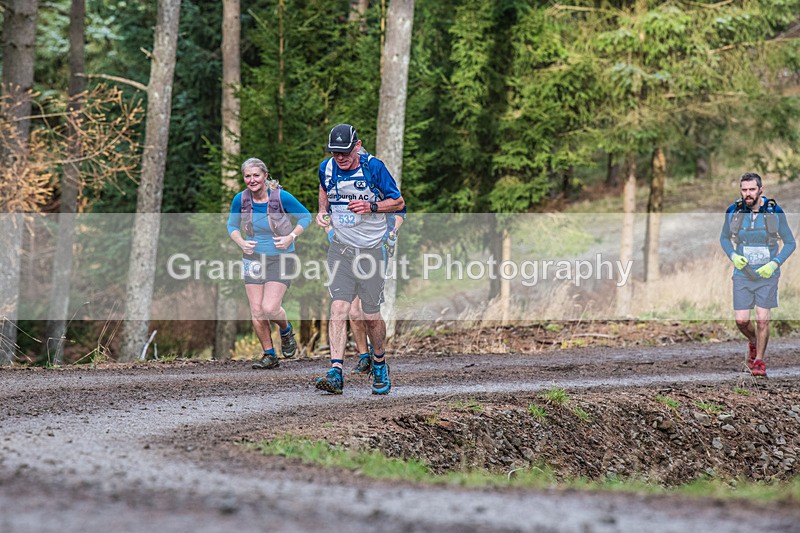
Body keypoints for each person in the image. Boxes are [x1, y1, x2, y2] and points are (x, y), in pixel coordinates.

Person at [314, 124, 405, 394]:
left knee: (370, 313)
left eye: (344, 152)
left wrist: (371, 207)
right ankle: (335, 371)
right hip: (341, 248)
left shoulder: (374, 167)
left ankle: (378, 363)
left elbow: (398, 202)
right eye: (334, 152)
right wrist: (322, 212)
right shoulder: (327, 168)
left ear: (357, 145)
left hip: (371, 250)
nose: (339, 158)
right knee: (338, 309)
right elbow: (323, 188)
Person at [227, 157, 312, 369]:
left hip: (281, 257)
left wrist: (290, 237)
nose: (252, 180)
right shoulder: (241, 199)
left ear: (265, 176)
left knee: (270, 308)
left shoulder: (281, 197)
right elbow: (232, 225)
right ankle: (269, 354)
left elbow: (305, 217)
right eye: (248, 176)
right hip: (253, 257)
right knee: (256, 310)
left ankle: (285, 330)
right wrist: (241, 243)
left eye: (256, 175)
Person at [719, 172, 795, 377]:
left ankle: (759, 361)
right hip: (742, 273)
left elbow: (790, 243)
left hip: (767, 275)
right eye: (744, 190)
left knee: (762, 319)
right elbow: (724, 239)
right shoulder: (733, 211)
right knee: (742, 321)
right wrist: (733, 255)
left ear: (761, 189)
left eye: (752, 189)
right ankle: (754, 342)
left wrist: (774, 263)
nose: (748, 194)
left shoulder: (774, 211)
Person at [347, 211, 405, 375]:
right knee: (353, 311)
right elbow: (329, 216)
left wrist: (392, 233)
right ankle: (364, 357)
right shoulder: (342, 188)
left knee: (369, 311)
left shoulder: (380, 187)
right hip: (350, 252)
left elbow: (401, 211)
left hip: (376, 252)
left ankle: (377, 352)